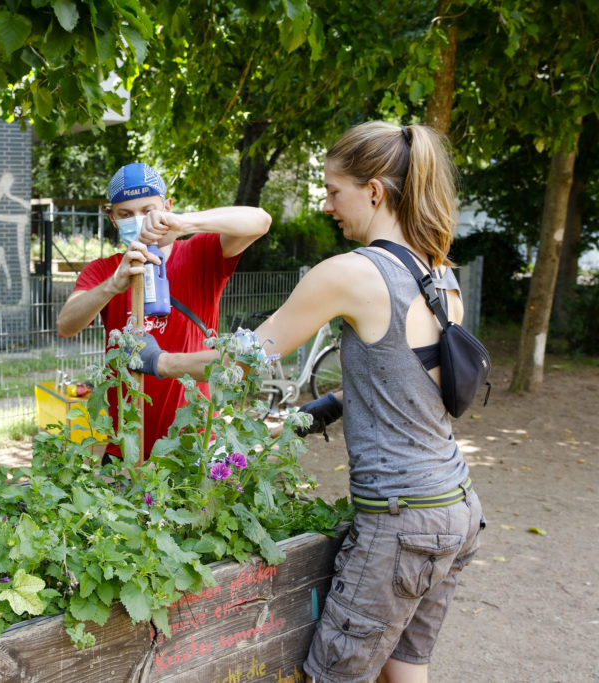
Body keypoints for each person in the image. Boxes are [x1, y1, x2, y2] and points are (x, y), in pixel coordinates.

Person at [134, 122, 485, 683]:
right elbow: (414, 384)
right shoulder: (439, 273)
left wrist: (161, 361)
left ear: (374, 191)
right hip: (456, 506)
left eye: (333, 191)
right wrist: (315, 412)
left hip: (402, 520)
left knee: (332, 675)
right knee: (404, 669)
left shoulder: (351, 273)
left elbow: (245, 357)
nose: (326, 206)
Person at [55, 162, 270, 459]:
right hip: (127, 448)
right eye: (125, 214)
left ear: (167, 207)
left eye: (148, 210)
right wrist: (113, 285)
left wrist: (184, 223)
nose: (139, 221)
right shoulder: (104, 270)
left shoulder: (200, 253)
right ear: (112, 218)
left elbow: (260, 220)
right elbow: (66, 325)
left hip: (191, 445)